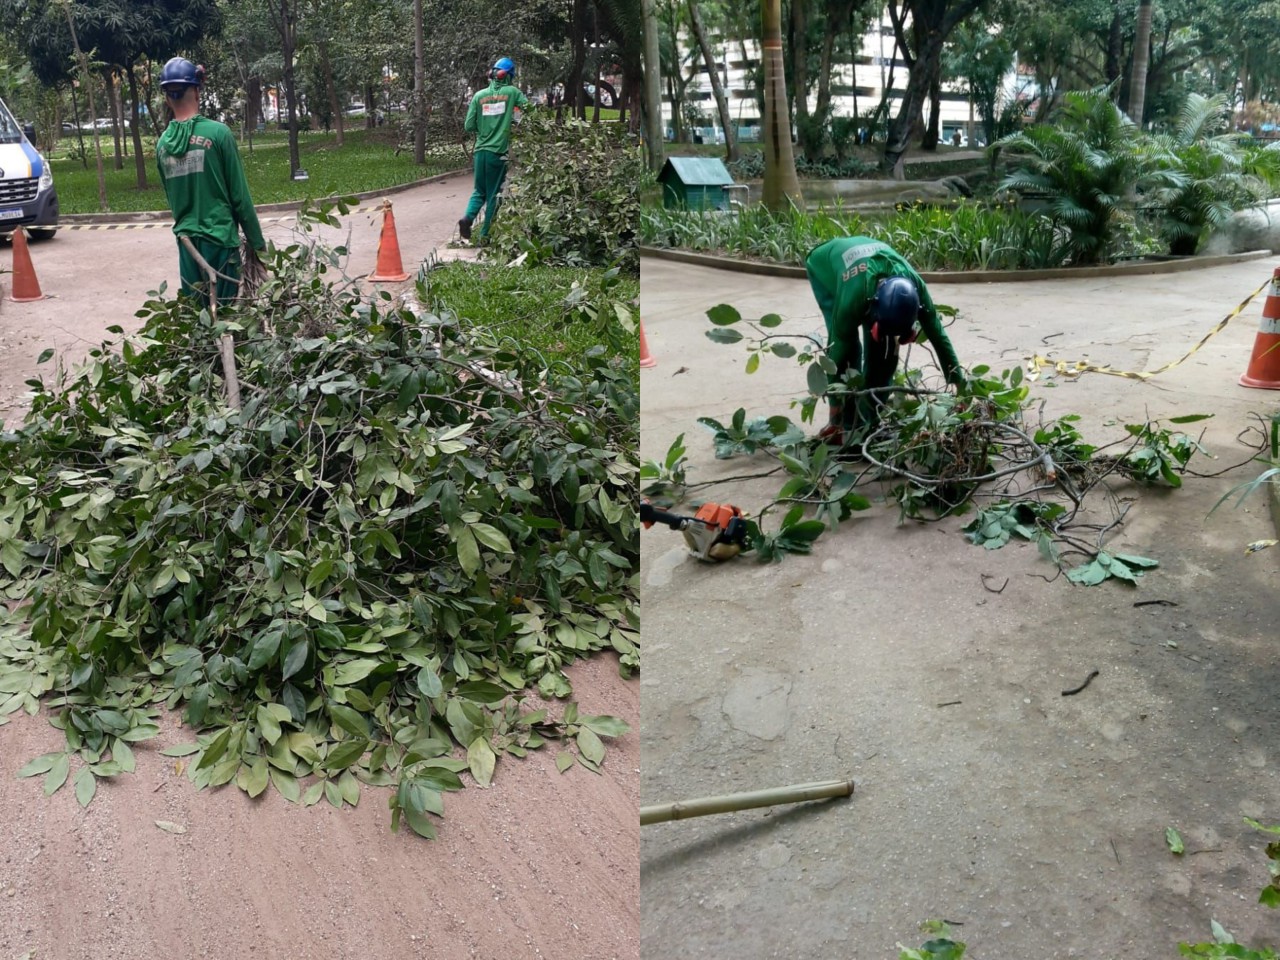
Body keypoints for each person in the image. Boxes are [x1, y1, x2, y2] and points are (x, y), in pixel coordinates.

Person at [805, 236, 965, 445]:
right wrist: (835, 413)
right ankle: (846, 422)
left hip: (866, 277)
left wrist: (961, 388)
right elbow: (836, 353)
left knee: (885, 357)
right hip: (825, 267)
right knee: (849, 349)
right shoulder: (852, 300)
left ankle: (867, 425)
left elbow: (939, 338)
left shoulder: (916, 289)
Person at [155, 57, 266, 306]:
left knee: (199, 320)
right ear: (197, 91)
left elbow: (173, 198)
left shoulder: (162, 146)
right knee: (228, 317)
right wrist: (258, 247)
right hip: (221, 243)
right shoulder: (218, 134)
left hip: (188, 247)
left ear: (167, 97)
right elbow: (240, 198)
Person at [457, 57, 530, 243]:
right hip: (497, 153)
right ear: (508, 75)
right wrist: (512, 119)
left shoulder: (479, 96)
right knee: (494, 195)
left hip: (480, 151)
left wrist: (485, 127)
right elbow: (531, 110)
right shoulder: (512, 92)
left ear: (493, 73)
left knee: (479, 190)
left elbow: (468, 126)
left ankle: (467, 219)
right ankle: (485, 235)